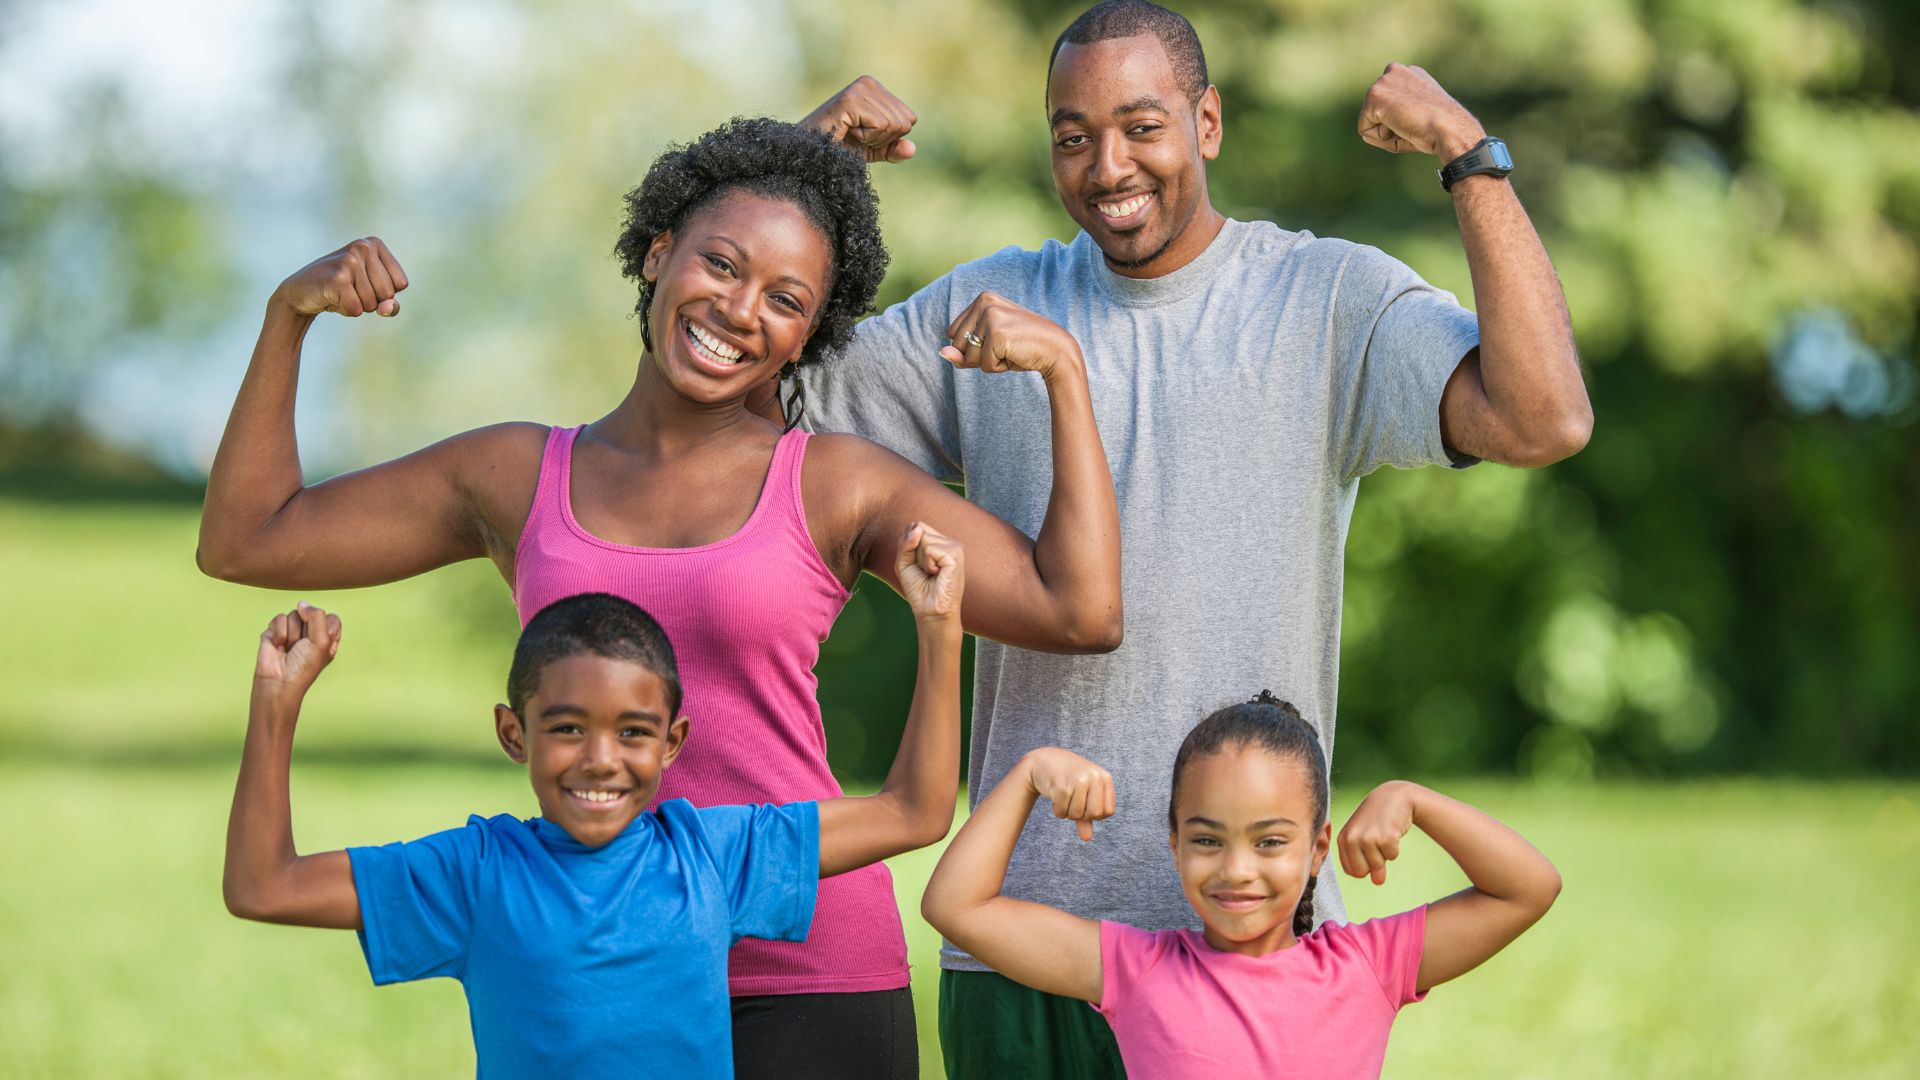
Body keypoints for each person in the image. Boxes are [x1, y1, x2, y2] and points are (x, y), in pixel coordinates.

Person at [197, 118, 1122, 1076]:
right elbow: (246, 539)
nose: (738, 308)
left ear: (811, 333)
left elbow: (1077, 609)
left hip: (812, 976)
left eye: (785, 299)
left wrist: (1063, 371)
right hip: (595, 974)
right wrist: (287, 317)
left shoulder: (837, 483)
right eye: (719, 264)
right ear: (655, 251)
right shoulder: (516, 474)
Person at [790, 3, 1591, 1070]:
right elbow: (757, 398)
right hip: (1020, 939)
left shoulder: (1326, 299)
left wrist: (1468, 156)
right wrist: (803, 173)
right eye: (1072, 137)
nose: (1106, 165)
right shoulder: (993, 305)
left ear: (1207, 123)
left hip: (1253, 964)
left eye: (1141, 127)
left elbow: (1544, 419)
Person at [222, 522, 966, 1078]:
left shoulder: (711, 856)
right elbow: (264, 885)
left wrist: (937, 626)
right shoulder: (475, 873)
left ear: (671, 744)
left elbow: (915, 811)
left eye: (633, 732)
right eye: (568, 728)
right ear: (515, 734)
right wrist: (277, 702)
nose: (601, 758)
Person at [920, 692, 1561, 1078]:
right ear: (1174, 845)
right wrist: (1031, 771)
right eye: (1207, 839)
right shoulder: (1135, 969)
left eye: (1270, 841)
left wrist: (1413, 799)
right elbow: (955, 905)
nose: (1236, 869)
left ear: (1317, 850)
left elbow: (1528, 887)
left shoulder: (1366, 967)